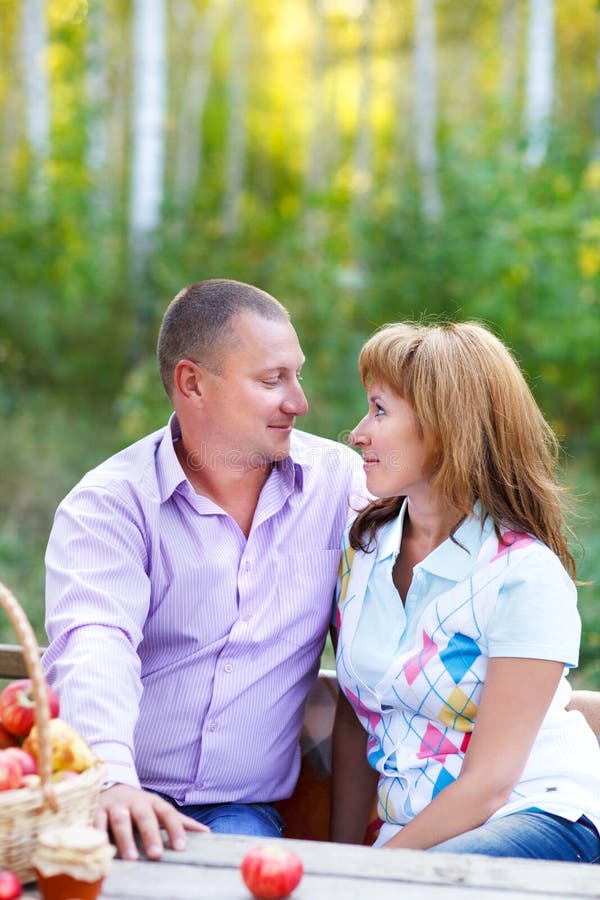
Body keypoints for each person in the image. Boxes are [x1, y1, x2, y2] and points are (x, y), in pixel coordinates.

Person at [43, 279, 364, 862]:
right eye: (272, 380)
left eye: (297, 374)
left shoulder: (341, 486)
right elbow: (94, 643)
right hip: (108, 795)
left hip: (238, 813)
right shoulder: (109, 504)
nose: (300, 401)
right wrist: (112, 781)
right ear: (192, 383)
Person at [330, 321, 600, 861]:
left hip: (534, 814)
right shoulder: (363, 550)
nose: (357, 432)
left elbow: (492, 784)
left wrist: (370, 871)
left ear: (445, 426)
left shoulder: (523, 575)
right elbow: (353, 716)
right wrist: (332, 860)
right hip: (417, 839)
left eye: (380, 410)